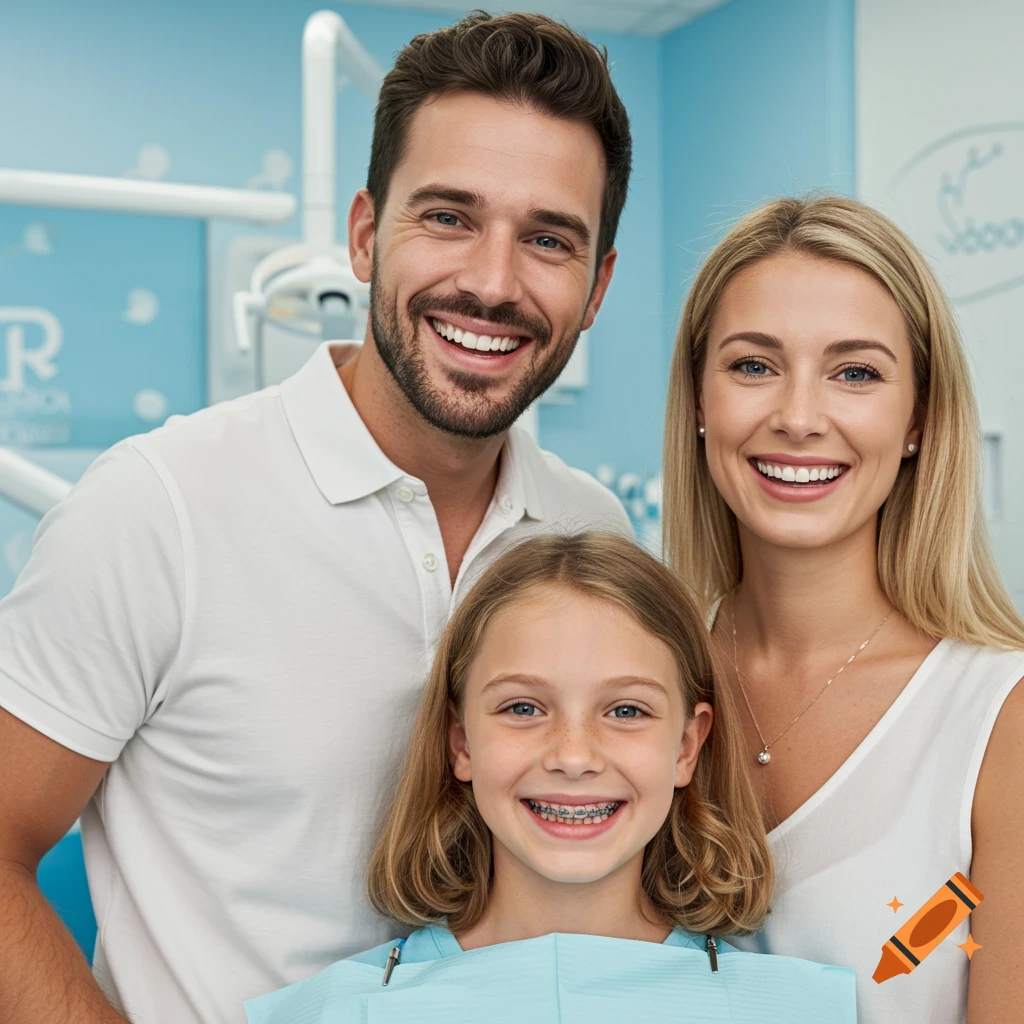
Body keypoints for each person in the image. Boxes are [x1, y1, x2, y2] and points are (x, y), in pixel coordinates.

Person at [0, 13, 634, 1024]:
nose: (491, 280)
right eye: (449, 217)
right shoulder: (156, 510)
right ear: (365, 233)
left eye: (548, 238)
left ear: (597, 285)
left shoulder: (589, 535)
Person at [244, 532, 857, 1024]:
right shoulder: (332, 1012)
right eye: (523, 708)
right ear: (460, 742)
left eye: (625, 711)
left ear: (687, 747)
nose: (573, 755)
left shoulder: (803, 1010)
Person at [662, 193, 1024, 1023]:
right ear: (697, 402)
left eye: (855, 372)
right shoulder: (632, 682)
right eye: (753, 365)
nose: (796, 417)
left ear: (918, 419)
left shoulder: (999, 723)